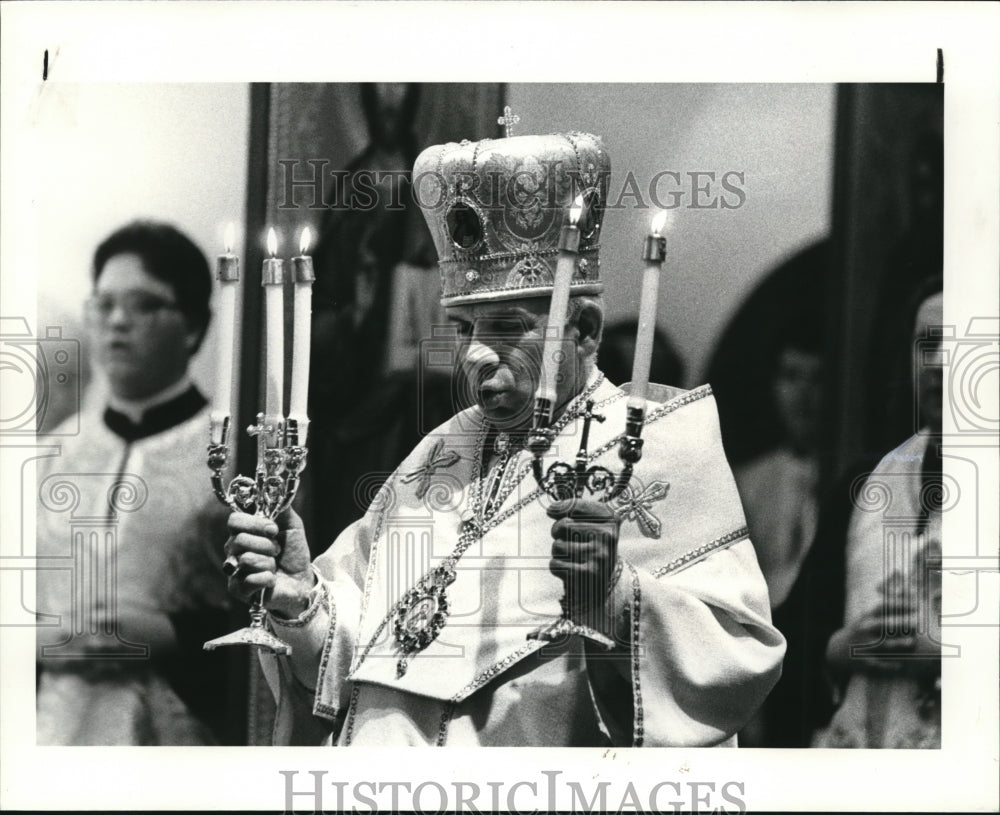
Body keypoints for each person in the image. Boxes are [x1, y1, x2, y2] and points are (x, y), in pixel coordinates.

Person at [226, 130, 785, 746]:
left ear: (586, 329)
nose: (476, 355)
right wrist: (301, 597)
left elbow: (735, 658)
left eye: (508, 327)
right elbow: (363, 644)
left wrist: (615, 595)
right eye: (464, 328)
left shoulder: (658, 444)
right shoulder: (439, 453)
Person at [35, 220, 231, 745]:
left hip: (172, 734)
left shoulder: (237, 457)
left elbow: (279, 617)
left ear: (192, 326)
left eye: (143, 305)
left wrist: (170, 636)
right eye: (104, 304)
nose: (117, 321)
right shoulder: (51, 455)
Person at [815, 289, 944, 748]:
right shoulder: (864, 482)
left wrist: (945, 658)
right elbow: (800, 627)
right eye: (928, 343)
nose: (939, 363)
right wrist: (839, 648)